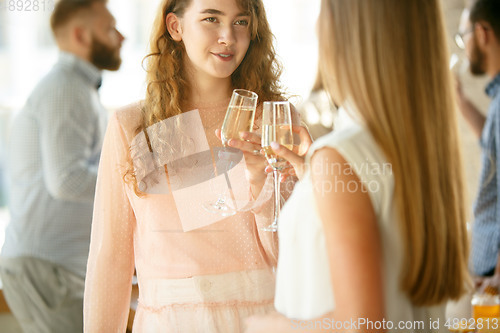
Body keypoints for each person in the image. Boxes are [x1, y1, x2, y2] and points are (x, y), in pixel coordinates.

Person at [246, 0, 470, 332]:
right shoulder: (418, 148)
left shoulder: (342, 156)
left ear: (344, 26)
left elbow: (362, 324)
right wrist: (316, 180)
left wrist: (266, 326)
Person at [83, 0, 298, 332]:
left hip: (266, 319)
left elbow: (297, 252)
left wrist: (260, 185)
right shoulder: (134, 126)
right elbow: (109, 259)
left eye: (241, 22)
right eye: (212, 18)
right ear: (175, 27)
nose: (228, 36)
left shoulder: (274, 120)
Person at [0, 1, 124, 332]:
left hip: (54, 267)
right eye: (110, 28)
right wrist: (132, 178)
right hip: (49, 268)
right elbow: (67, 181)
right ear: (81, 35)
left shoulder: (76, 89)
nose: (122, 36)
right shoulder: (67, 89)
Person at [455, 0, 500, 291]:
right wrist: (459, 99)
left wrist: (497, 279)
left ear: (482, 32)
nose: (463, 46)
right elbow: (492, 142)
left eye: (464, 35)